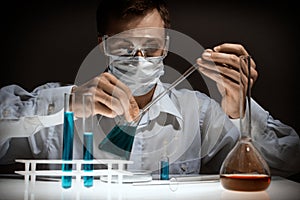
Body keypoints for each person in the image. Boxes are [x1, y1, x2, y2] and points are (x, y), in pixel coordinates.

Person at [0, 0, 299, 179]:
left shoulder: (199, 113)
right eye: (124, 48)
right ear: (102, 46)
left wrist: (241, 110)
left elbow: (289, 163)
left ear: (167, 46)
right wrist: (65, 102)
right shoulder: (60, 112)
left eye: (152, 47)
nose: (140, 60)